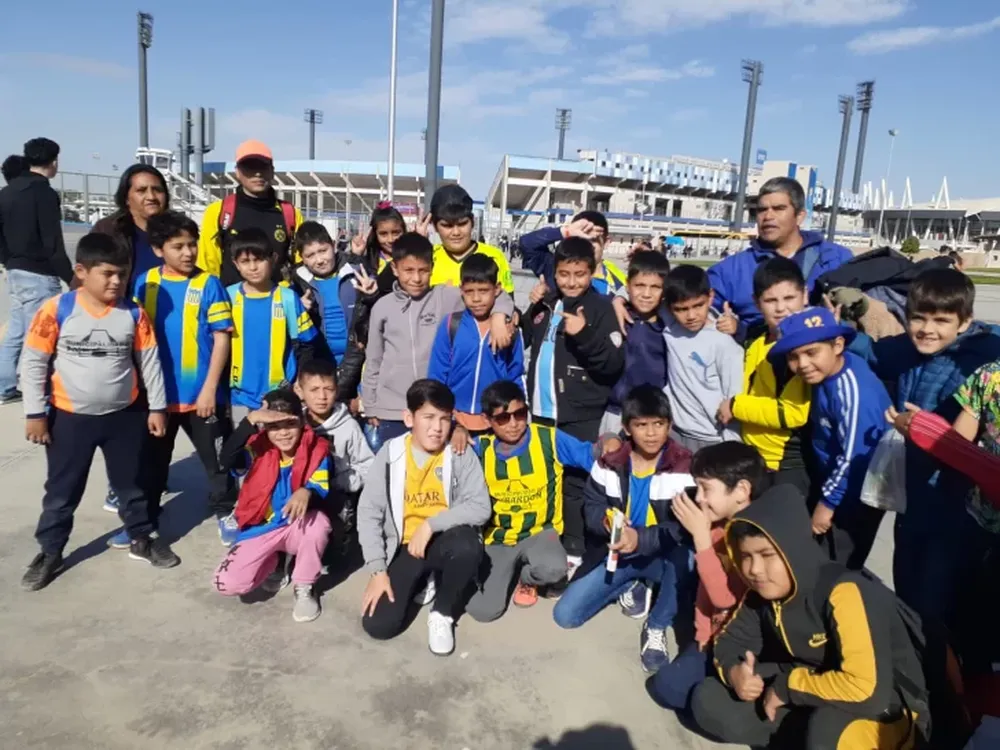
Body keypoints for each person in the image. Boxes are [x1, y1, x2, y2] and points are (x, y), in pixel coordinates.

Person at [690, 486, 927, 749]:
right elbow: (730, 642)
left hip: (887, 705)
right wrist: (736, 673)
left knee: (825, 731)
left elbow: (867, 690)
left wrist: (785, 688)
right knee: (707, 699)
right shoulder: (762, 593)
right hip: (812, 683)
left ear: (792, 549)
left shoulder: (844, 591)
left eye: (767, 555)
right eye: (746, 556)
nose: (755, 569)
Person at [19, 233, 177, 591]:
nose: (116, 281)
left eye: (121, 274)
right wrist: (35, 413)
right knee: (62, 490)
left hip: (124, 417)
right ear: (81, 271)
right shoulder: (57, 309)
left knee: (131, 485)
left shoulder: (133, 313)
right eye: (107, 273)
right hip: (69, 419)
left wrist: (156, 408)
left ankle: (141, 537)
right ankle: (50, 550)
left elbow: (149, 361)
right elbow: (33, 362)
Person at [868, 268, 1000, 625]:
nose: (927, 329)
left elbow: (963, 442)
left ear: (965, 321)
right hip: (913, 495)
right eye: (918, 318)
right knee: (907, 586)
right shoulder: (910, 350)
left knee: (937, 601)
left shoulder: (986, 359)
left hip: (958, 503)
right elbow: (872, 349)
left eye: (941, 320)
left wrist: (923, 429)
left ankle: (938, 673)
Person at [553, 385, 694, 674]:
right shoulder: (610, 462)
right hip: (618, 552)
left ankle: (656, 625)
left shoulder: (683, 465)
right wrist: (605, 522)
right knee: (565, 616)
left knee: (688, 558)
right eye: (642, 425)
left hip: (662, 556)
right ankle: (632, 583)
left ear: (669, 425)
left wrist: (639, 539)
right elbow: (591, 505)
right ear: (627, 429)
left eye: (659, 424)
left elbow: (684, 528)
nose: (652, 433)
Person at [126, 211, 237, 547]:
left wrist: (209, 389)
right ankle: (145, 522)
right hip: (157, 397)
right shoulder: (145, 283)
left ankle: (226, 512)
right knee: (153, 464)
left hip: (201, 396)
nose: (189, 252)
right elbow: (134, 337)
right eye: (179, 246)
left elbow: (222, 337)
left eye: (192, 244)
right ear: (159, 249)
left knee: (217, 462)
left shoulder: (209, 284)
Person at [358, 379, 491, 656]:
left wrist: (430, 525)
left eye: (444, 419)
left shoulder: (459, 452)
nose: (437, 428)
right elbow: (369, 512)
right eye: (428, 417)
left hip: (445, 540)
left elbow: (480, 507)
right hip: (405, 548)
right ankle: (425, 577)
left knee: (467, 545)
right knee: (379, 626)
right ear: (409, 418)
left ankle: (442, 613)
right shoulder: (391, 453)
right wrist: (378, 570)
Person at [464, 380, 610, 620]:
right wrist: (456, 431)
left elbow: (591, 456)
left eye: (520, 414)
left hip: (541, 533)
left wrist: (610, 440)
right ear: (487, 420)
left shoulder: (548, 439)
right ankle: (503, 571)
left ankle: (527, 577)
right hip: (499, 538)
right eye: (503, 418)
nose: (513, 424)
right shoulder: (480, 448)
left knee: (554, 571)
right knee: (483, 611)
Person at [523, 236, 626, 572]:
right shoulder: (549, 300)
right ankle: (546, 541)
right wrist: (533, 306)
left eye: (579, 274)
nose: (571, 281)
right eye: (564, 274)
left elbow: (612, 364)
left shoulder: (599, 308)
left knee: (576, 484)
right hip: (541, 412)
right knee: (545, 479)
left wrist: (584, 334)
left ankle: (576, 549)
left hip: (578, 414)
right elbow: (526, 336)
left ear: (591, 271)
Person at [361, 232, 513, 452]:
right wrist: (371, 404)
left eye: (423, 270)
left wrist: (500, 315)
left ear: (432, 268)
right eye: (408, 271)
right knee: (395, 474)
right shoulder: (382, 307)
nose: (416, 278)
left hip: (433, 408)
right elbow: (373, 359)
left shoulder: (444, 297)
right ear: (395, 269)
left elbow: (492, 294)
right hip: (390, 409)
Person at [770, 307, 890, 569]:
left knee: (836, 565)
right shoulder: (827, 373)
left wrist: (828, 504)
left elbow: (853, 456)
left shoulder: (854, 391)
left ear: (837, 345)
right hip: (834, 479)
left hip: (854, 493)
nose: (802, 364)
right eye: (793, 356)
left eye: (811, 352)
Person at [648, 441, 764, 712]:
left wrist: (701, 538)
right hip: (715, 635)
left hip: (746, 641)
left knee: (681, 692)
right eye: (697, 486)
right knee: (666, 686)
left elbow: (724, 599)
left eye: (706, 488)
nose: (698, 497)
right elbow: (705, 593)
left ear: (742, 491)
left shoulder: (755, 538)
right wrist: (702, 634)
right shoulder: (718, 527)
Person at [213, 389, 331, 623]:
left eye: (290, 424)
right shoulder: (256, 448)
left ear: (302, 420)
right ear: (265, 427)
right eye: (274, 426)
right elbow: (226, 461)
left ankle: (305, 585)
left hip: (295, 525)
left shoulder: (316, 448)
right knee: (226, 584)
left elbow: (322, 488)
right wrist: (250, 421)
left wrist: (307, 491)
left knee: (318, 524)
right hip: (261, 527)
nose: (284, 433)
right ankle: (275, 560)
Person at [709, 177, 853, 343]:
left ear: (799, 216)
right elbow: (696, 310)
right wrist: (732, 327)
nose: (768, 216)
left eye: (778, 208)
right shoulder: (730, 270)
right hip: (758, 360)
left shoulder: (837, 259)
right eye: (762, 210)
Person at [718, 257, 811, 495]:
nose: (781, 308)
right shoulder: (756, 336)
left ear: (805, 296)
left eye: (789, 298)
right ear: (756, 304)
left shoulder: (804, 349)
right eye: (771, 300)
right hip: (755, 458)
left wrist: (737, 406)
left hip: (786, 465)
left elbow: (794, 413)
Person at [0, 137, 73, 405]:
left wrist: (8, 261)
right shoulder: (44, 193)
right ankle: (40, 392)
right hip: (39, 273)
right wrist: (72, 278)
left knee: (16, 331)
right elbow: (53, 243)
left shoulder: (6, 192)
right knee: (42, 336)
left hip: (15, 270)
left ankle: (5, 385)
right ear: (53, 162)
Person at [226, 228, 320, 425]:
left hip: (279, 392)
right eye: (245, 261)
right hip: (239, 394)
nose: (253, 267)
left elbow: (307, 343)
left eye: (259, 259)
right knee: (245, 448)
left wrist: (299, 381)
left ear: (273, 258)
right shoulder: (228, 296)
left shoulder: (286, 297)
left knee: (278, 448)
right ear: (236, 264)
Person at [427, 253, 525, 433]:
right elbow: (437, 376)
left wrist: (516, 417)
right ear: (461, 290)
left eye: (483, 291)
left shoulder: (509, 329)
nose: (476, 299)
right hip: (455, 421)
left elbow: (515, 376)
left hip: (495, 423)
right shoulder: (450, 324)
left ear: (497, 289)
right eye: (469, 291)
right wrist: (447, 418)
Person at [294, 358, 374, 556]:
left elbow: (368, 466)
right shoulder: (294, 425)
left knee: (332, 554)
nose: (322, 396)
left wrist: (344, 482)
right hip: (299, 493)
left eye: (328, 389)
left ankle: (339, 539)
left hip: (336, 495)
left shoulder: (349, 427)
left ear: (336, 391)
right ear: (300, 391)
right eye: (314, 390)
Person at [197, 140, 304, 286]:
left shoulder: (290, 214)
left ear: (272, 170)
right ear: (237, 173)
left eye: (263, 166)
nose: (258, 173)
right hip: (231, 305)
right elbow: (207, 267)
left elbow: (302, 265)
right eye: (250, 167)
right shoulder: (218, 212)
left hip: (278, 305)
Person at [660, 264, 743, 451]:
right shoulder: (671, 326)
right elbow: (644, 294)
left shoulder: (724, 341)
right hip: (675, 434)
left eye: (698, 305)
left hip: (713, 439)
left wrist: (732, 448)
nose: (691, 316)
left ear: (711, 297)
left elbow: (734, 400)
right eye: (681, 309)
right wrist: (620, 297)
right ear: (669, 307)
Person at [336, 203, 408, 403]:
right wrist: (355, 255)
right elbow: (345, 285)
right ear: (374, 235)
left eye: (396, 232)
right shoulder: (368, 261)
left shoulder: (410, 261)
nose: (391, 239)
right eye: (384, 233)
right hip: (367, 336)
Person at [602, 250, 670, 435]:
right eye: (639, 285)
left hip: (651, 417)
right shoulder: (610, 313)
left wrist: (736, 328)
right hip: (613, 413)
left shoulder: (671, 326)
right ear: (628, 286)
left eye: (655, 287)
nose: (646, 294)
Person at [92, 164, 170, 294]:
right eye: (141, 190)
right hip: (123, 311)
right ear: (126, 198)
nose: (151, 196)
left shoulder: (178, 231)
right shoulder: (107, 230)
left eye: (157, 190)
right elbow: (87, 278)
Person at [292, 221, 359, 364]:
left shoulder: (355, 273)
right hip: (319, 363)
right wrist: (297, 309)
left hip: (356, 360)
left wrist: (370, 295)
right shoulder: (296, 286)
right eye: (310, 255)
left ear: (334, 245)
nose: (319, 260)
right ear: (302, 258)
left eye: (323, 251)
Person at [427, 184, 514, 294]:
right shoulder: (427, 258)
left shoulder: (495, 257)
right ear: (435, 226)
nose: (456, 232)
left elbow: (508, 303)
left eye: (462, 224)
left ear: (472, 222)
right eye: (447, 226)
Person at [519, 211, 627, 297]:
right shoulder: (556, 269)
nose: (586, 247)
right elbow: (526, 243)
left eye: (593, 240)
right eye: (580, 240)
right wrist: (565, 232)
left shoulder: (618, 282)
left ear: (606, 242)